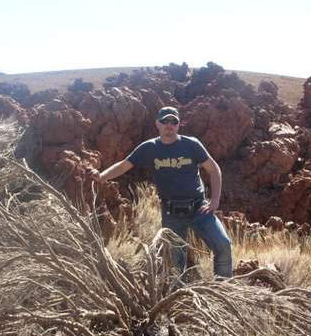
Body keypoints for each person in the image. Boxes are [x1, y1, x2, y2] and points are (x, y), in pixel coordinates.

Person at [95, 106, 233, 278]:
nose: (169, 125)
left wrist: (215, 200)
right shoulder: (149, 148)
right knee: (175, 262)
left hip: (199, 208)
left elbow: (214, 169)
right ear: (157, 124)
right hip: (171, 212)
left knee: (223, 245)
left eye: (173, 122)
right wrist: (101, 177)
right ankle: (180, 292)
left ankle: (223, 286)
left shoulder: (191, 145)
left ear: (178, 125)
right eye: (165, 121)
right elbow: (124, 165)